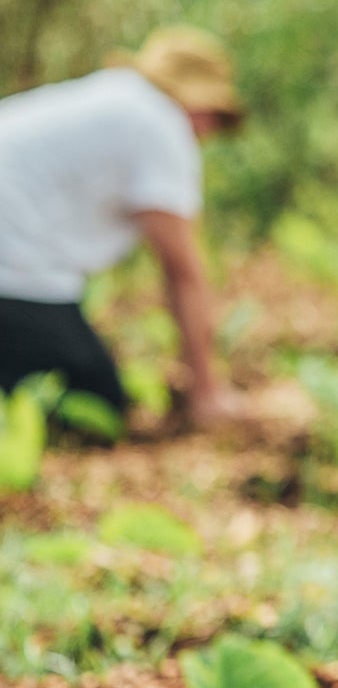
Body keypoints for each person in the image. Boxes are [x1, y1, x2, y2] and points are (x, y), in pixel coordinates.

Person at [0, 26, 247, 428]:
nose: (208, 133)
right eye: (214, 117)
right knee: (96, 401)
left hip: (17, 267)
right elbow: (183, 271)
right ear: (198, 105)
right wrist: (207, 392)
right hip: (12, 274)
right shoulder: (160, 124)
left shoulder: (113, 97)